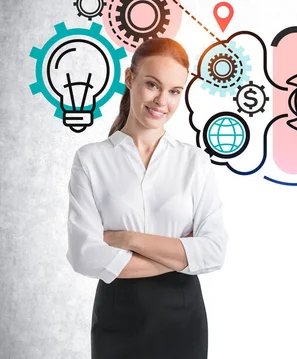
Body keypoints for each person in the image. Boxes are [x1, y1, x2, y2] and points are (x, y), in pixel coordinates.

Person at [65, 37, 229, 359]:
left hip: (183, 321)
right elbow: (84, 255)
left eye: (174, 91)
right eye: (152, 85)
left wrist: (126, 238)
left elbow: (213, 251)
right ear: (129, 79)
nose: (161, 101)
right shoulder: (91, 160)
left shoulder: (193, 162)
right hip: (117, 320)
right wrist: (182, 255)